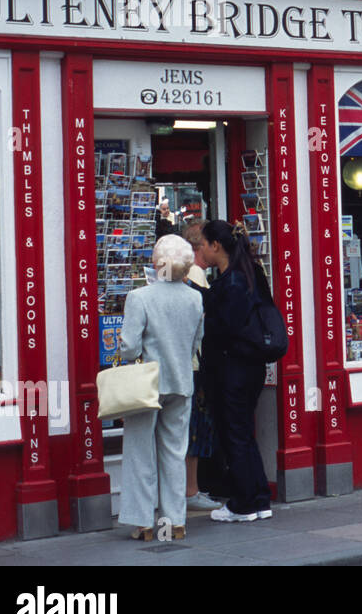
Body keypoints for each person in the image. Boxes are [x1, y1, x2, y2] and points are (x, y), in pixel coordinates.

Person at [116, 234, 205, 540]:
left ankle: (143, 523)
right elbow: (196, 342)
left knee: (141, 452)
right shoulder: (195, 298)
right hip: (181, 382)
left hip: (147, 384)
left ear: (157, 263)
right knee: (173, 453)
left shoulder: (140, 298)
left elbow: (129, 348)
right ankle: (174, 522)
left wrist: (125, 349)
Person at [201, 220, 274, 522]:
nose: (201, 250)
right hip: (251, 367)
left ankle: (243, 504)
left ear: (216, 246)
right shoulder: (250, 274)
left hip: (233, 370)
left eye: (203, 244)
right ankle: (258, 499)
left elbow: (224, 328)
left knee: (235, 435)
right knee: (243, 433)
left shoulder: (231, 282)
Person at [181, 223, 222, 512]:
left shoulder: (188, 276)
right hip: (194, 364)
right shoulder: (196, 276)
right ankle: (191, 489)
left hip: (186, 363)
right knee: (194, 428)